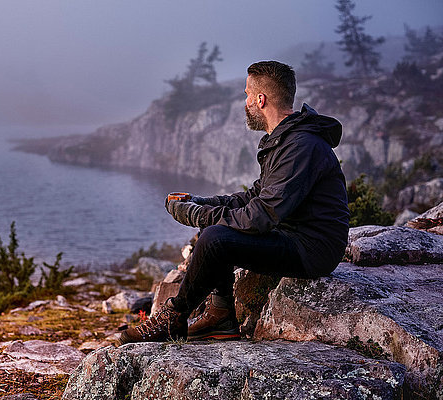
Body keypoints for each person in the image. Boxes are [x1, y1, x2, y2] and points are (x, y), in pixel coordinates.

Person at [119, 61, 350, 345]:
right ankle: (220, 315)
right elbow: (255, 195)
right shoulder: (286, 139)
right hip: (293, 237)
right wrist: (199, 203)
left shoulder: (300, 145)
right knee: (214, 230)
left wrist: (198, 216)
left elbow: (262, 215)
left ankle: (173, 316)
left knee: (216, 236)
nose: (246, 102)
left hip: (311, 250)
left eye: (247, 95)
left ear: (261, 99)